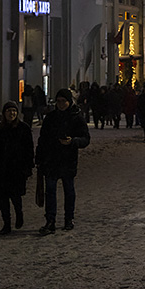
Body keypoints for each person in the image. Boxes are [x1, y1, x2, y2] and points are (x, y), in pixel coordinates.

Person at [35, 89, 90, 234]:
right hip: (51, 160)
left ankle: (68, 219)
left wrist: (73, 141)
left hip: (68, 160)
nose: (60, 104)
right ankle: (50, 220)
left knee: (69, 191)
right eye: (58, 101)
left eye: (63, 101)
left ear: (69, 101)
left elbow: (86, 139)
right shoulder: (50, 118)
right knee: (50, 191)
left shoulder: (76, 118)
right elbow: (42, 139)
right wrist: (39, 158)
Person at [0, 101, 34, 235]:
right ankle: (6, 223)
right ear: (4, 113)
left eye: (14, 111)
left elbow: (28, 149)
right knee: (2, 198)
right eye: (9, 111)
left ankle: (19, 214)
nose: (11, 113)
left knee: (15, 196)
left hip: (17, 169)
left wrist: (28, 167)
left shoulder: (23, 128)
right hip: (0, 170)